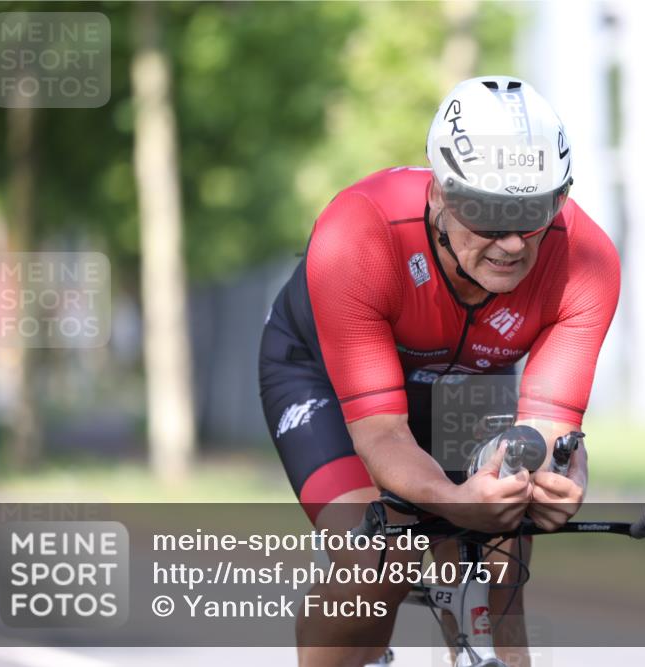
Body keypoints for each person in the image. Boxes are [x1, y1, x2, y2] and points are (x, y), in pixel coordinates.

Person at [259, 75, 620, 667]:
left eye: (532, 212)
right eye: (486, 212)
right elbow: (380, 434)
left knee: (500, 559)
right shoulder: (359, 234)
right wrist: (451, 499)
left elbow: (551, 426)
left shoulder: (587, 261)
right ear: (439, 197)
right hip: (323, 377)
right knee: (381, 559)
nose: (511, 241)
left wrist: (561, 473)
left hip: (465, 383)